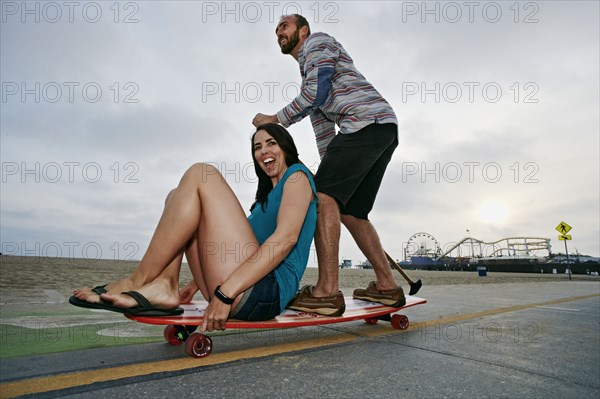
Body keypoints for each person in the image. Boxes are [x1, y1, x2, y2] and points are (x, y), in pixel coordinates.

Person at [70, 123, 317, 332]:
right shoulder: (263, 201)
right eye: (257, 147)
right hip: (237, 288)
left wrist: (224, 294)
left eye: (271, 143)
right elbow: (229, 248)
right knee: (176, 196)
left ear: (286, 147)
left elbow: (285, 239)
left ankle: (137, 279)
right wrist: (195, 285)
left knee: (202, 173)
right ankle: (166, 284)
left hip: (264, 293)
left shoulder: (297, 176)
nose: (264, 151)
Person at [252, 14, 405, 316]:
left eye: (284, 26)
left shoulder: (318, 43)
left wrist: (275, 120)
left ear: (303, 30)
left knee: (323, 199)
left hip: (364, 123)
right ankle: (387, 285)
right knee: (352, 212)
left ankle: (327, 291)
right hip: (381, 128)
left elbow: (315, 93)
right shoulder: (308, 71)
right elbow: (323, 130)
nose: (278, 32)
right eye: (276, 29)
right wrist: (328, 171)